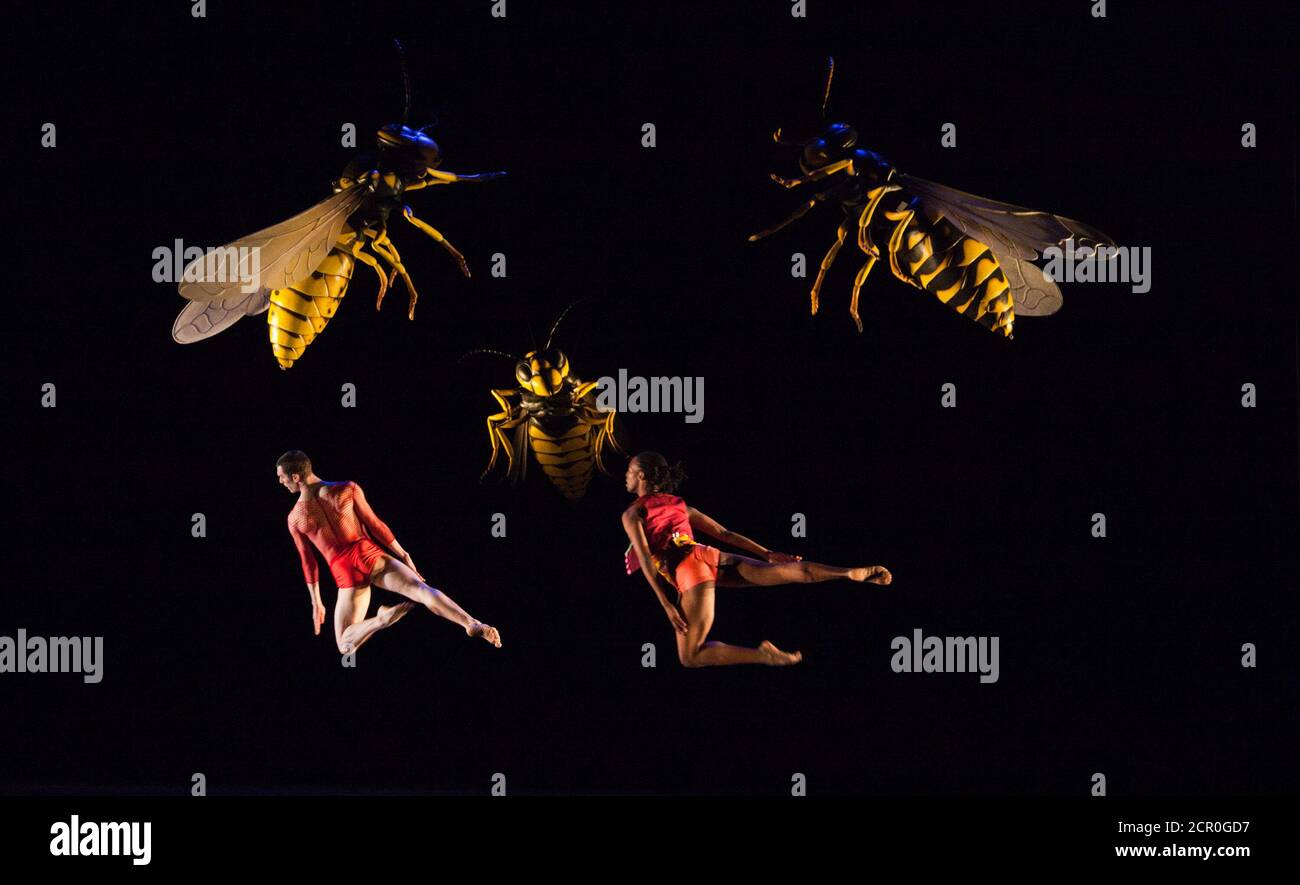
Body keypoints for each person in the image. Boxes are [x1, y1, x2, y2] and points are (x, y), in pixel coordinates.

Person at [621, 452, 891, 667]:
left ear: (641, 475)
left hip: (689, 571)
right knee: (789, 572)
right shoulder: (681, 505)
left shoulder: (633, 513)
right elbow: (725, 533)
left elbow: (646, 557)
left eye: (630, 471)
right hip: (710, 556)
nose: (626, 476)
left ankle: (763, 654)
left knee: (690, 656)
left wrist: (667, 604)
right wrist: (767, 553)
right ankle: (846, 573)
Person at [277, 450, 501, 655]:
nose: (281, 482)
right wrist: (402, 553)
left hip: (343, 570)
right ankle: (471, 623)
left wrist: (316, 601)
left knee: (345, 644)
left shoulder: (295, 518)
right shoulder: (346, 488)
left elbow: (309, 563)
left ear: (296, 477)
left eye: (282, 477)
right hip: (369, 554)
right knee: (422, 590)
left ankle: (379, 621)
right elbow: (375, 525)